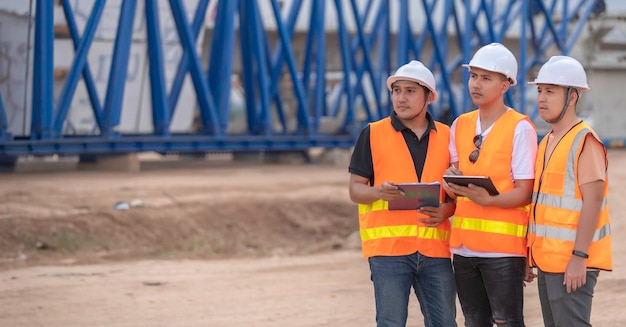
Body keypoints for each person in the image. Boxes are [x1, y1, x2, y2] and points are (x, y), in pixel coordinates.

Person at [348, 60, 457, 327]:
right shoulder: (372, 134)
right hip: (388, 252)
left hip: (435, 251)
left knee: (445, 323)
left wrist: (447, 210)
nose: (401, 98)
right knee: (391, 323)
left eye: (410, 91)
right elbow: (355, 190)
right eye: (397, 91)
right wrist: (378, 192)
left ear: (429, 96)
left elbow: (455, 195)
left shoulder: (448, 136)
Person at [443, 42, 538, 326]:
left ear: (505, 85)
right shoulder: (460, 124)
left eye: (486, 78)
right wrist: (452, 186)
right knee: (474, 322)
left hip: (502, 251)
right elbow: (453, 180)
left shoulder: (520, 128)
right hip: (462, 249)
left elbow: (525, 191)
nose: (476, 84)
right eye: (473, 76)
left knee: (508, 321)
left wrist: (489, 201)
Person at [527, 55, 613, 327]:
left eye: (550, 91)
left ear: (572, 96)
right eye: (540, 90)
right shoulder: (547, 142)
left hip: (571, 263)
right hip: (548, 261)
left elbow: (593, 201)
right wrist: (530, 255)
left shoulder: (584, 140)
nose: (542, 98)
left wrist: (579, 258)